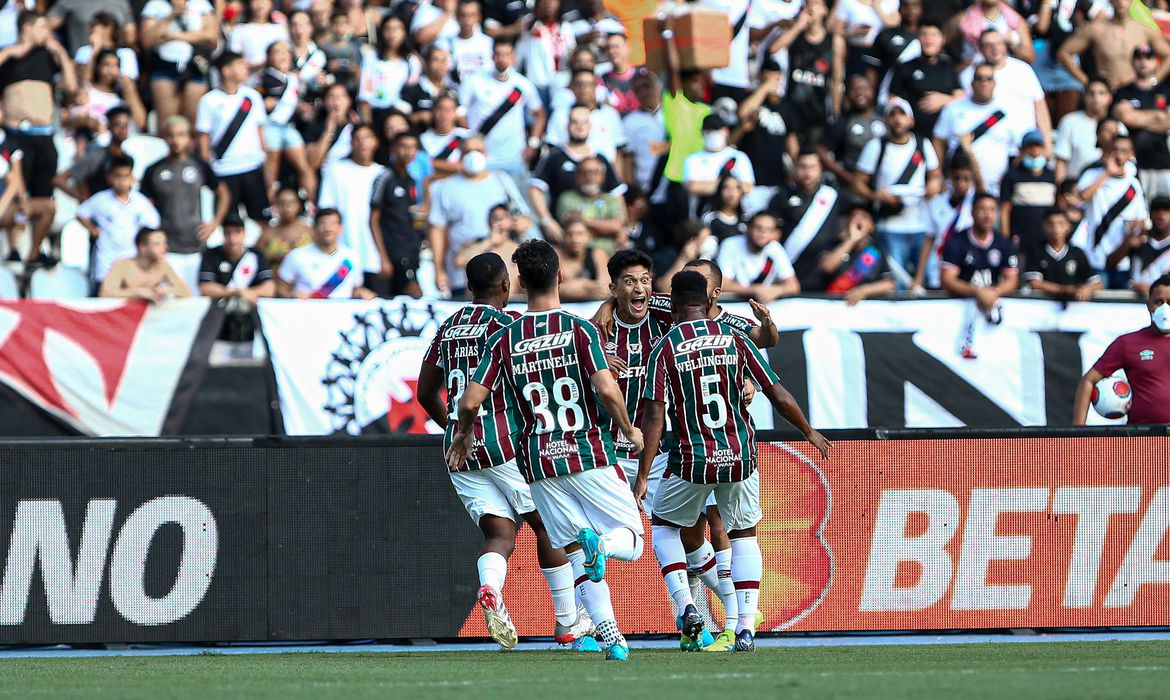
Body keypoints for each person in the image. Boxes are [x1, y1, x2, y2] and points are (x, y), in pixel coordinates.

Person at [448, 239, 647, 662]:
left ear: (519, 282)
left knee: (575, 550)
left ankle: (613, 638)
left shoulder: (506, 337)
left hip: (538, 462)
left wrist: (464, 434)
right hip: (588, 451)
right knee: (630, 541)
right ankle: (603, 549)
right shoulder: (580, 329)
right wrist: (629, 428)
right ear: (560, 277)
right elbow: (606, 387)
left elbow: (468, 402)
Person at [638, 269, 831, 653]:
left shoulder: (665, 348)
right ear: (710, 302)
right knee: (744, 535)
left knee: (663, 526)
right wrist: (808, 431)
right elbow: (776, 393)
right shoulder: (735, 340)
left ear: (672, 305)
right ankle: (745, 627)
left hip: (692, 459)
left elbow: (655, 416)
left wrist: (644, 473)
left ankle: (686, 606)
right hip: (739, 456)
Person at [416, 252, 597, 651]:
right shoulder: (509, 327)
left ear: (468, 288)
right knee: (549, 527)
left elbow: (424, 391)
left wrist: (453, 427)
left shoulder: (447, 328)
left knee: (499, 533)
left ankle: (491, 589)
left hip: (459, 449)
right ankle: (568, 621)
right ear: (506, 286)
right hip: (504, 442)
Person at [0, 10, 76, 267]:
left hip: (43, 134)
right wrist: (9, 54)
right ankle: (13, 248)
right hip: (15, 133)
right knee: (14, 190)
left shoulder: (48, 57)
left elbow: (71, 87)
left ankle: (35, 251)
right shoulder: (8, 55)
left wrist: (62, 54)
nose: (48, 33)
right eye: (44, 27)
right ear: (27, 27)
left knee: (43, 196)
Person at [428, 136, 532, 297]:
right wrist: (439, 270)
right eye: (468, 151)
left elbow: (524, 219)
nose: (474, 155)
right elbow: (437, 230)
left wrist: (512, 224)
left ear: (486, 153)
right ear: (460, 155)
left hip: (503, 274)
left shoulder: (502, 181)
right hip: (462, 274)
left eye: (478, 150)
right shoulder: (444, 187)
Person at [142, 115, 232, 296]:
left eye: (181, 135)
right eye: (171, 135)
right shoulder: (154, 170)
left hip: (196, 246)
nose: (176, 140)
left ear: (189, 138)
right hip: (167, 248)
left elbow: (223, 193)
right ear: (164, 138)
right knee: (170, 299)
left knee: (195, 298)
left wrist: (215, 222)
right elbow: (144, 207)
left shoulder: (199, 166)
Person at [855, 98, 942, 287]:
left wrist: (933, 186)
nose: (897, 119)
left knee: (928, 280)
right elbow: (858, 183)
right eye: (892, 114)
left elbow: (935, 175)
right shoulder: (876, 146)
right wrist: (877, 196)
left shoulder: (923, 144)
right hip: (890, 225)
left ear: (911, 120)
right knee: (897, 281)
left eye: (902, 114)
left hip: (920, 223)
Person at [1073, 275, 1170, 425]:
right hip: (1144, 439)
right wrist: (1076, 436)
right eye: (1159, 302)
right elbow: (1088, 381)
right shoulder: (1128, 343)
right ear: (1148, 305)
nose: (1165, 308)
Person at [196, 51, 271, 237]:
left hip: (253, 168)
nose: (246, 68)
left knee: (261, 221)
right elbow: (203, 141)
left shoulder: (253, 97)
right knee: (228, 225)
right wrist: (210, 172)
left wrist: (266, 166)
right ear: (226, 70)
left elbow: (261, 135)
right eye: (240, 64)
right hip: (224, 171)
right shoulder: (208, 101)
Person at [940, 192, 1020, 358]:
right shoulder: (957, 241)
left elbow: (1012, 279)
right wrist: (978, 291)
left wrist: (994, 292)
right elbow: (947, 280)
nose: (987, 214)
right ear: (972, 212)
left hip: (992, 305)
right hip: (961, 307)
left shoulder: (1003, 243)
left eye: (992, 209)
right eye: (982, 209)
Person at [530, 105, 623, 243]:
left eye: (584, 122)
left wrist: (622, 229)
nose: (580, 127)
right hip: (564, 233)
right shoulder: (554, 156)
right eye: (575, 122)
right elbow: (535, 189)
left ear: (590, 126)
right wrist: (547, 221)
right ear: (567, 126)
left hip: (601, 235)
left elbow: (617, 194)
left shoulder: (601, 158)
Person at [935, 64, 1025, 198]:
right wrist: (939, 175)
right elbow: (938, 141)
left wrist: (1008, 180)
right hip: (958, 186)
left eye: (989, 79)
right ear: (972, 83)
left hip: (994, 188)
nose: (984, 83)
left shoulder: (1008, 111)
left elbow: (1019, 150)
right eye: (979, 78)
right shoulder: (953, 108)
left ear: (994, 83)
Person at [318, 123, 387, 295]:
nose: (362, 143)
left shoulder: (383, 174)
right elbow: (326, 209)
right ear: (351, 143)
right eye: (357, 139)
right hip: (341, 256)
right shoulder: (335, 170)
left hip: (374, 257)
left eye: (367, 138)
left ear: (376, 142)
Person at [459, 39, 545, 178]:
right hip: (480, 159)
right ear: (492, 56)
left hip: (514, 157)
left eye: (506, 54)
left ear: (513, 57)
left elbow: (539, 113)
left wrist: (533, 143)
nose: (502, 59)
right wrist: (471, 138)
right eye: (498, 54)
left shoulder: (523, 84)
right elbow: (460, 112)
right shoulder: (474, 81)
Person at [959, 30, 1052, 155]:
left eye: (999, 43)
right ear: (980, 48)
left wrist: (1047, 145)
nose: (995, 49)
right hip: (988, 148)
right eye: (988, 45)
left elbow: (1040, 108)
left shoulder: (1023, 70)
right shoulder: (969, 75)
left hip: (1024, 147)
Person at [1073, 135, 1148, 289]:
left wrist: (1135, 226)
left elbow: (1142, 218)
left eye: (1124, 151)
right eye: (1115, 150)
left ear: (1130, 154)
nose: (1119, 155)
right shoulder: (1092, 174)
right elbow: (1081, 198)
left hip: (1122, 260)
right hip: (1094, 258)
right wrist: (1107, 173)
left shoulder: (1134, 184)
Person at [77, 155, 162, 285]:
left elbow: (153, 224)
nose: (122, 181)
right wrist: (93, 230)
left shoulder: (140, 202)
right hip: (107, 260)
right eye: (118, 176)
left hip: (132, 260)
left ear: (132, 178)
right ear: (109, 178)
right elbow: (80, 213)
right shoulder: (100, 200)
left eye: (126, 176)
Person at [769, 0, 842, 148]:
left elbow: (837, 80)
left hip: (817, 111)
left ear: (825, 10)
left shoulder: (834, 41)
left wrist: (836, 113)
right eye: (807, 3)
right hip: (792, 108)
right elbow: (774, 49)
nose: (810, 6)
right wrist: (798, 26)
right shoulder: (796, 35)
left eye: (815, 3)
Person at [1058, 0, 1170, 91]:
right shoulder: (1096, 29)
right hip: (1109, 92)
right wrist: (1088, 82)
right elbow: (1064, 53)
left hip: (1135, 91)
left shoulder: (1143, 30)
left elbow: (1168, 55)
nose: (1120, 2)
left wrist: (1153, 80)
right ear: (1110, 1)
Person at [771, 150, 844, 290]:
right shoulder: (782, 196)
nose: (807, 172)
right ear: (795, 168)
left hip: (822, 272)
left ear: (821, 169)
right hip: (788, 271)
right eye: (803, 166)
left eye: (812, 167)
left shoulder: (833, 196)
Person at [198, 214, 276, 340]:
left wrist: (250, 293)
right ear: (223, 235)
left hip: (251, 317)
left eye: (237, 233)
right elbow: (205, 287)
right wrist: (235, 292)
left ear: (244, 234)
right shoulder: (211, 255)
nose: (232, 239)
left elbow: (269, 288)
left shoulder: (255, 255)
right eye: (228, 233)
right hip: (220, 317)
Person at [140, 0, 218, 126]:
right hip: (164, 66)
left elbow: (212, 37)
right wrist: (170, 16)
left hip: (194, 66)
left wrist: (173, 36)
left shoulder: (201, 4)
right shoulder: (155, 5)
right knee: (167, 124)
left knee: (195, 122)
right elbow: (147, 41)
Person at [276, 208, 376, 299]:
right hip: (306, 313)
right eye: (323, 223)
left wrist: (362, 293)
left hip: (342, 315)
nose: (328, 229)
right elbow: (280, 289)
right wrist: (292, 295)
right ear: (314, 228)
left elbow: (356, 289)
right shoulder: (296, 255)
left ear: (340, 228)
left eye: (333, 224)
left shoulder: (352, 257)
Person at [370, 131, 425, 299]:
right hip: (394, 250)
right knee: (415, 292)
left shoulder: (411, 180)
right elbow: (373, 219)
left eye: (412, 147)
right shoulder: (385, 177)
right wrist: (383, 257)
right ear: (393, 149)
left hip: (413, 250)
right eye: (403, 146)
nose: (408, 151)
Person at [260, 41, 317, 202]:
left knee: (304, 165)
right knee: (272, 165)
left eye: (285, 51)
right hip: (270, 126)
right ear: (269, 57)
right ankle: (268, 203)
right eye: (277, 52)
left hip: (288, 126)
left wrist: (302, 108)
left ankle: (312, 204)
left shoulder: (293, 78)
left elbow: (292, 101)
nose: (282, 56)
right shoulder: (265, 77)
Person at [888, 20, 963, 140]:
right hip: (914, 134)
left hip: (944, 134)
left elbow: (961, 94)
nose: (929, 39)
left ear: (942, 39)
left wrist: (944, 100)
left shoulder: (948, 66)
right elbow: (892, 98)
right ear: (918, 39)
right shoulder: (905, 67)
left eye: (933, 35)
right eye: (924, 34)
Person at [1112, 44, 1170, 200]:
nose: (1143, 62)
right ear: (1132, 62)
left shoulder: (1165, 90)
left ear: (1155, 62)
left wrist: (1139, 117)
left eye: (1148, 58)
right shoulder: (1123, 91)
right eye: (1138, 58)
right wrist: (1158, 116)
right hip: (1136, 163)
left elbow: (1168, 122)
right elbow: (1127, 118)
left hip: (1164, 161)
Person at [546, 68, 628, 171]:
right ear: (572, 88)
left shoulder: (610, 114)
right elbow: (553, 149)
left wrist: (617, 180)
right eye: (579, 84)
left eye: (588, 84)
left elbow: (619, 151)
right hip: (570, 174)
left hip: (605, 175)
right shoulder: (560, 114)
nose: (583, 88)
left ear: (596, 86)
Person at [818, 75, 884, 197]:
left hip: (881, 185)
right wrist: (846, 176)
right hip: (851, 188)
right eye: (855, 90)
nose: (860, 94)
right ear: (848, 95)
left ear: (873, 91)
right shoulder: (843, 121)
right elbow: (821, 150)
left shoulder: (884, 118)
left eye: (864, 89)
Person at [816, 204, 896, 302]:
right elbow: (827, 267)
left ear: (871, 226)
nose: (858, 220)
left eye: (864, 217)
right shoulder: (833, 244)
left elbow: (889, 284)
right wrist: (851, 240)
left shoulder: (875, 251)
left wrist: (864, 290)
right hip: (833, 305)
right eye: (853, 216)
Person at [716, 211, 800, 302]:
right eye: (758, 228)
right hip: (734, 304)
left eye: (768, 230)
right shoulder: (730, 245)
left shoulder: (775, 248)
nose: (762, 234)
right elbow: (723, 285)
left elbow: (794, 286)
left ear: (775, 234)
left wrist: (776, 290)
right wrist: (755, 290)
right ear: (749, 228)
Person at [682, 115, 755, 218]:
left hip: (735, 218)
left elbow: (747, 187)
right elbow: (693, 186)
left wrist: (709, 185)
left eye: (716, 130)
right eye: (709, 131)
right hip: (702, 217)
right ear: (702, 132)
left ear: (726, 131)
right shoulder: (693, 159)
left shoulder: (739, 157)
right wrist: (731, 186)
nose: (713, 134)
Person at [1023, 207, 1101, 301]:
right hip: (1044, 306)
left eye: (1060, 223)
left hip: (1074, 308)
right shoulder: (1036, 250)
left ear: (1068, 226)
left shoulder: (1077, 253)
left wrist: (1087, 289)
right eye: (1051, 224)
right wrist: (1066, 290)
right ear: (1044, 226)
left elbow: (1097, 283)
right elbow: (1035, 283)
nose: (1056, 228)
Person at [357, 15, 419, 131]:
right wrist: (369, 127)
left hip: (401, 116)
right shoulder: (371, 57)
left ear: (405, 32)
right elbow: (365, 96)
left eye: (397, 28)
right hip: (376, 114)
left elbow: (412, 94)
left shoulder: (412, 62)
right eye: (388, 29)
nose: (392, 33)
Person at [1000, 130, 1058, 252]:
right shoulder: (1012, 176)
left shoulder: (1051, 175)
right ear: (1022, 150)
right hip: (1020, 238)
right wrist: (1005, 239)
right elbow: (1005, 210)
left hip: (1046, 240)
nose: (1035, 151)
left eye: (1038, 146)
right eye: (1030, 147)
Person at [555, 155, 627, 254]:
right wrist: (607, 229)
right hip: (579, 256)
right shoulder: (567, 198)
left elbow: (617, 225)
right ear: (576, 176)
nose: (589, 177)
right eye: (584, 172)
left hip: (610, 255)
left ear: (602, 176)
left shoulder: (611, 199)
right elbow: (572, 227)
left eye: (594, 172)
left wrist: (584, 221)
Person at [99, 228, 191, 301]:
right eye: (157, 244)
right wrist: (138, 292)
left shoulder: (163, 266)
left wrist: (169, 290)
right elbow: (105, 293)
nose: (164, 248)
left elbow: (187, 293)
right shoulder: (122, 265)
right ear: (142, 247)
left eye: (164, 243)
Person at [1053, 79, 1113, 184]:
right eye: (1091, 93)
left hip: (1108, 190)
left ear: (1109, 97)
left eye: (1101, 93)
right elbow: (1061, 161)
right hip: (1075, 189)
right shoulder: (1069, 121)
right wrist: (1061, 191)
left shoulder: (1117, 125)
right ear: (1084, 97)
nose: (1096, 98)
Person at [555, 216, 609, 301]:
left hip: (593, 307)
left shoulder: (598, 254)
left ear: (587, 236)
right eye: (570, 234)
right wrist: (589, 287)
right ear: (564, 236)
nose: (574, 239)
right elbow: (554, 290)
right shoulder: (556, 256)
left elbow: (605, 289)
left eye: (579, 234)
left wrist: (578, 285)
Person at [264, 188, 314, 276]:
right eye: (282, 203)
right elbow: (256, 261)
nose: (286, 206)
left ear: (298, 205)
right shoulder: (268, 233)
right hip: (276, 283)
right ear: (276, 206)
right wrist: (273, 259)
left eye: (291, 202)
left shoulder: (310, 231)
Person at [1129, 197, 1170, 296]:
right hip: (1135, 301)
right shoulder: (1139, 241)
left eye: (1166, 210)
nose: (1161, 215)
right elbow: (1111, 264)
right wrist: (1127, 243)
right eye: (1157, 210)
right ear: (1150, 214)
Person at [446, 0, 494, 84]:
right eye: (463, 15)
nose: (467, 20)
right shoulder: (447, 44)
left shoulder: (488, 43)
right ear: (456, 17)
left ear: (479, 17)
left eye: (472, 15)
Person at [702, 176, 748, 243]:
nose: (731, 193)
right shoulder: (710, 218)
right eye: (726, 187)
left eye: (736, 188)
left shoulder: (746, 219)